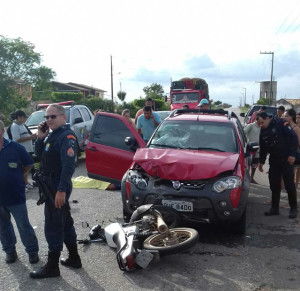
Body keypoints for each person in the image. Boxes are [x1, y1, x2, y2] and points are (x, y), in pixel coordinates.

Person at [30, 104, 82, 279]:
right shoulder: (52, 135)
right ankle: (74, 258)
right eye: (46, 117)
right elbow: (39, 154)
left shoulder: (66, 136)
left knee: (53, 224)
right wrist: (40, 137)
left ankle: (52, 266)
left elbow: (68, 166)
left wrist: (61, 190)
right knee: (65, 221)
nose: (49, 120)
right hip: (51, 184)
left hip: (57, 185)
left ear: (63, 117)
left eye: (53, 116)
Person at [0, 120, 39, 264]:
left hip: (15, 194)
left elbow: (28, 164)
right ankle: (10, 251)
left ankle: (32, 251)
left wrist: (17, 176)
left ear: (2, 131)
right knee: (3, 226)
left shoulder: (15, 147)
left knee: (23, 224)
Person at [256, 111, 298, 218]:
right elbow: (263, 147)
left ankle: (293, 208)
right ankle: (274, 208)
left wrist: (292, 154)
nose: (260, 125)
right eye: (259, 124)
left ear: (267, 118)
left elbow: (294, 137)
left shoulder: (280, 123)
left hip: (286, 158)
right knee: (274, 184)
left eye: (261, 122)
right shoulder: (263, 130)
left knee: (289, 184)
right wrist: (261, 162)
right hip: (274, 159)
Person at [10, 110, 37, 191]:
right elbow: (16, 139)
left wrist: (32, 136)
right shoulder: (14, 126)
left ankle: (26, 183)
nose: (25, 119)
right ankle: (22, 184)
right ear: (19, 117)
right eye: (24, 117)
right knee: (24, 167)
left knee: (28, 166)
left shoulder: (22, 125)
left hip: (28, 150)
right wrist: (29, 137)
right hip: (21, 150)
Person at [284, 109, 300, 189]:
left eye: (286, 116)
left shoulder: (296, 129)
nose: (284, 117)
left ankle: (291, 198)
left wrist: (291, 153)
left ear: (291, 117)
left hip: (293, 155)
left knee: (291, 175)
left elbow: (298, 143)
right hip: (286, 153)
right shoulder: (287, 126)